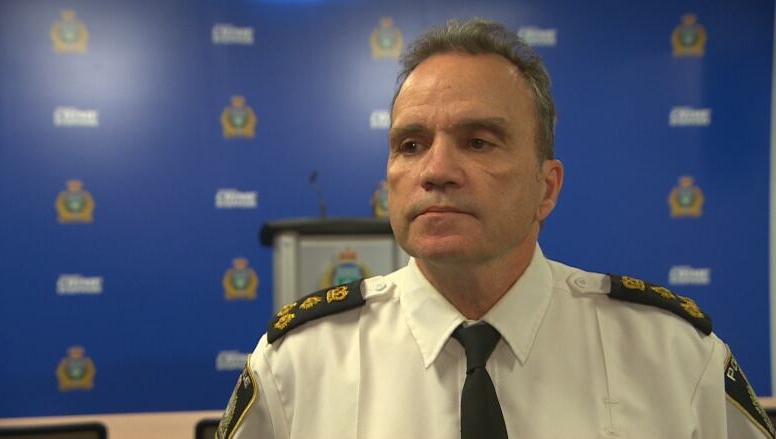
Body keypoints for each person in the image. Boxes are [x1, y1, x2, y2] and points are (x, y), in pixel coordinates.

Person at [216, 18, 775, 439]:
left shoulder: (673, 357)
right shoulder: (297, 365)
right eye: (410, 145)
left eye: (479, 141)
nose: (435, 171)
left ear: (547, 187)